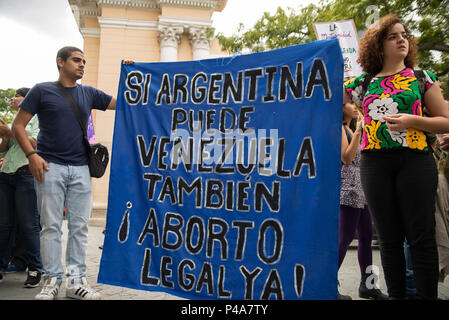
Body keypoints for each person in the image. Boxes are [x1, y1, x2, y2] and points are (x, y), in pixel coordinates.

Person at [344, 14, 449, 299]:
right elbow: (325, 97)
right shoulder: (360, 83)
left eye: (404, 35)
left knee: (421, 237)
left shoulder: (420, 77)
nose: (402, 39)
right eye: (393, 36)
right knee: (388, 240)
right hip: (374, 163)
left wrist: (413, 121)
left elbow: (446, 119)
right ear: (378, 45)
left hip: (415, 161)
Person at [12, 46, 120, 300]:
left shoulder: (89, 92)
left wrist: (132, 72)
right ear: (60, 62)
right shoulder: (42, 90)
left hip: (82, 168)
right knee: (50, 226)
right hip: (50, 167)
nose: (82, 64)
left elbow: (125, 102)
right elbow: (18, 126)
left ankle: (75, 282)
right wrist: (32, 155)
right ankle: (51, 281)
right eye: (76, 60)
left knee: (79, 227)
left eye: (84, 60)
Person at [337, 101, 388, 300]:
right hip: (348, 190)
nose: (354, 106)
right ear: (341, 108)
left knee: (367, 237)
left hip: (362, 189)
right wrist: (359, 130)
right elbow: (346, 158)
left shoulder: (351, 128)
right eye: (350, 103)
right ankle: (328, 283)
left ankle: (369, 285)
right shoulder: (341, 128)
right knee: (344, 239)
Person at [0, 87, 43, 287]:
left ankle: (35, 268)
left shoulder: (37, 118)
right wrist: (5, 135)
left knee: (29, 224)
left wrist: (12, 131)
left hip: (26, 175)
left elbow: (34, 142)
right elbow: (4, 148)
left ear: (27, 100)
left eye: (17, 95)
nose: (13, 98)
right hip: (6, 175)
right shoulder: (11, 120)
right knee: (4, 224)